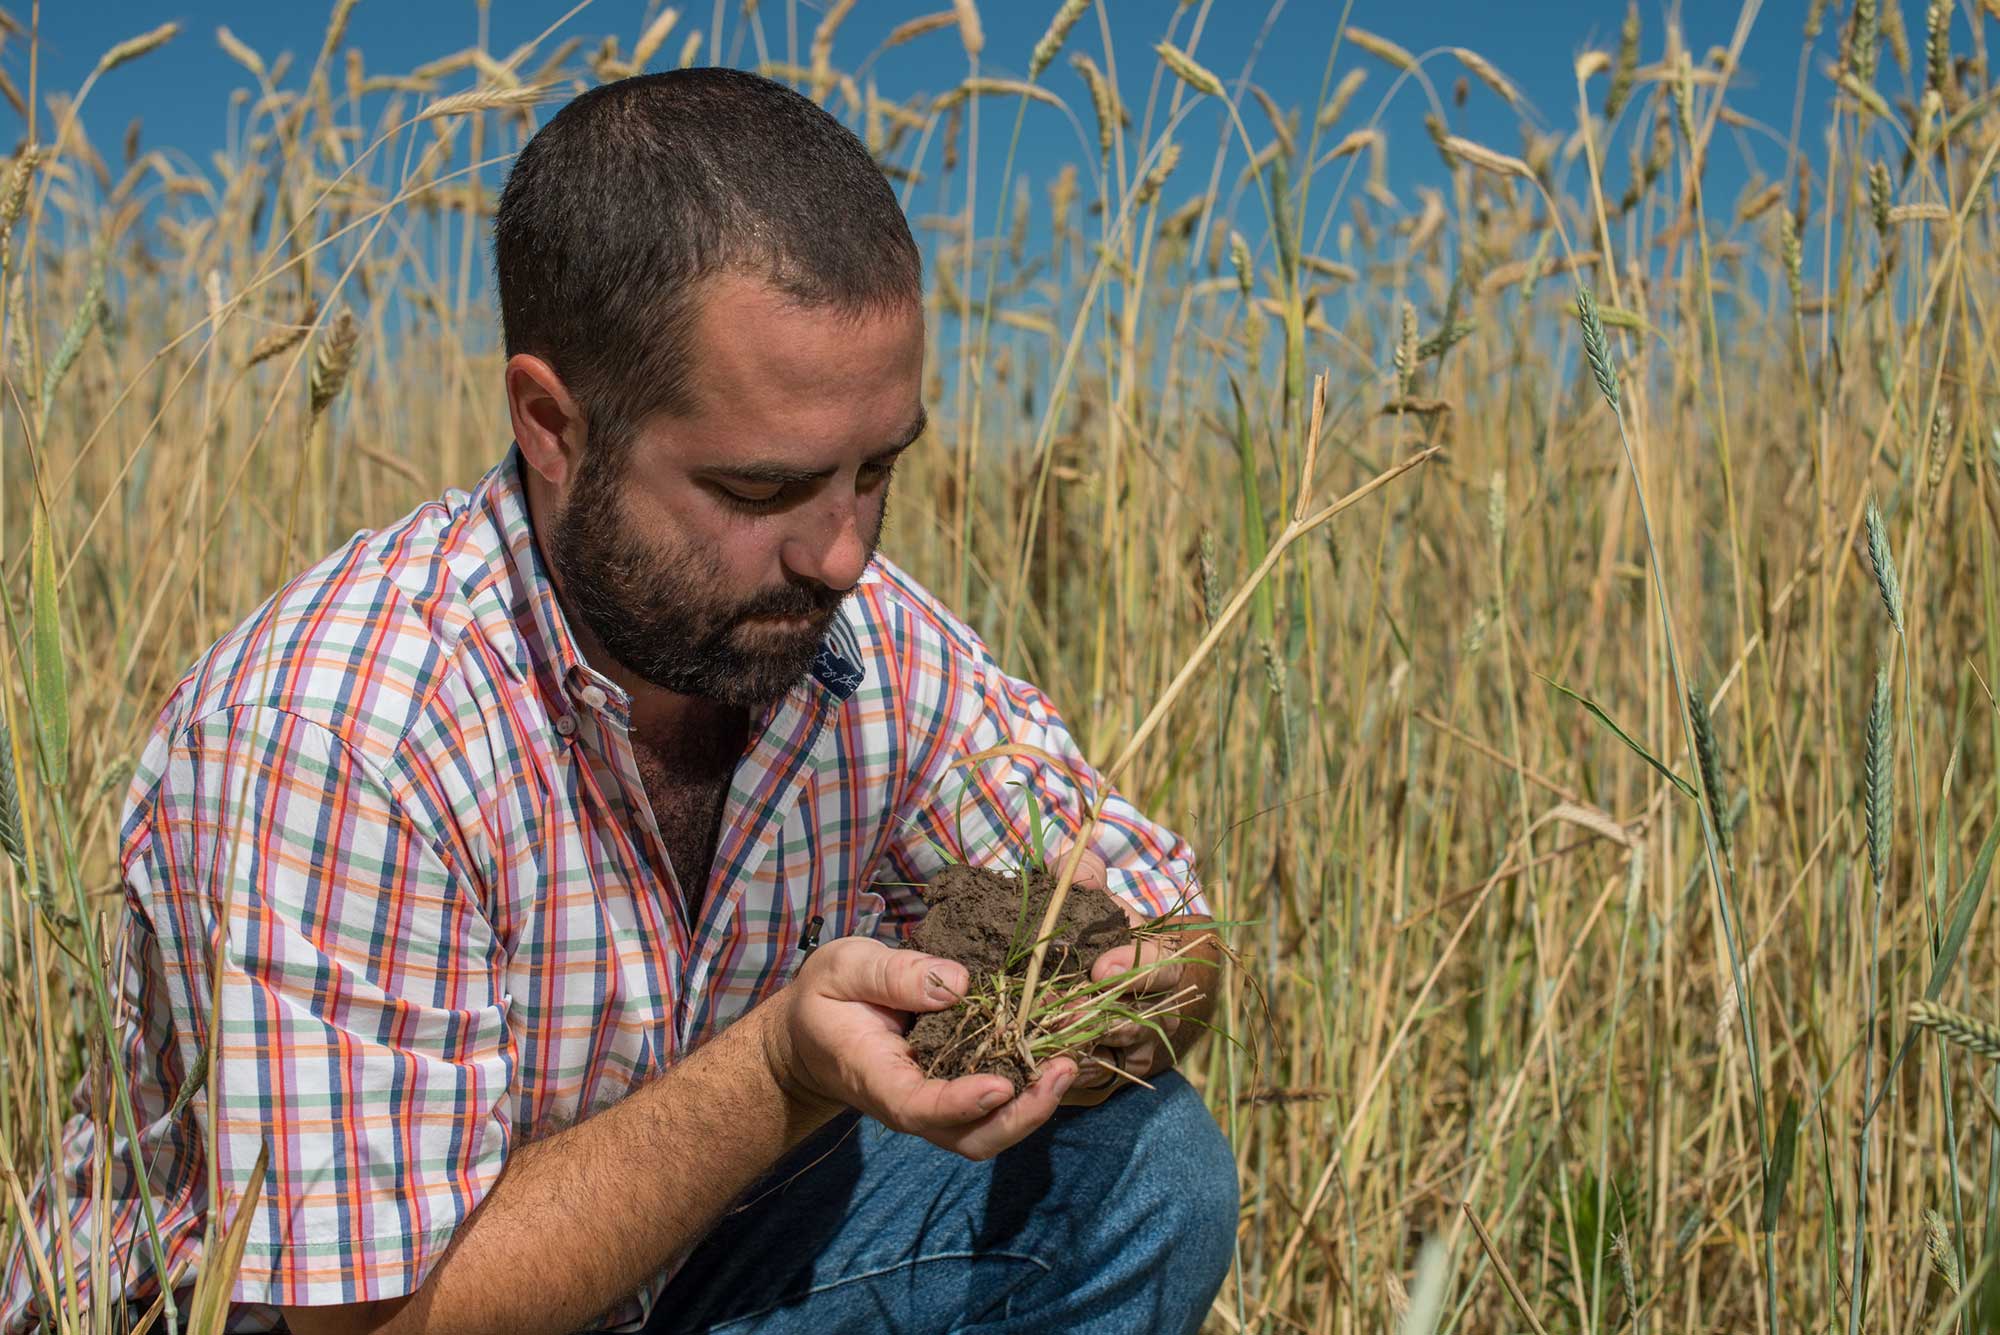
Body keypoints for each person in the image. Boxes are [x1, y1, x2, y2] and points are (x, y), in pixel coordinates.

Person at [2, 69, 1237, 1335]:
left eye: (877, 471)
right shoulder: (339, 734)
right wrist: (780, 1069)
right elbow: (365, 1325)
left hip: (668, 1283)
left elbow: (1170, 924)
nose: (842, 554)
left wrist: (1119, 988)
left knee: (1139, 1171)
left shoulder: (862, 642)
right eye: (761, 491)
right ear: (551, 423)